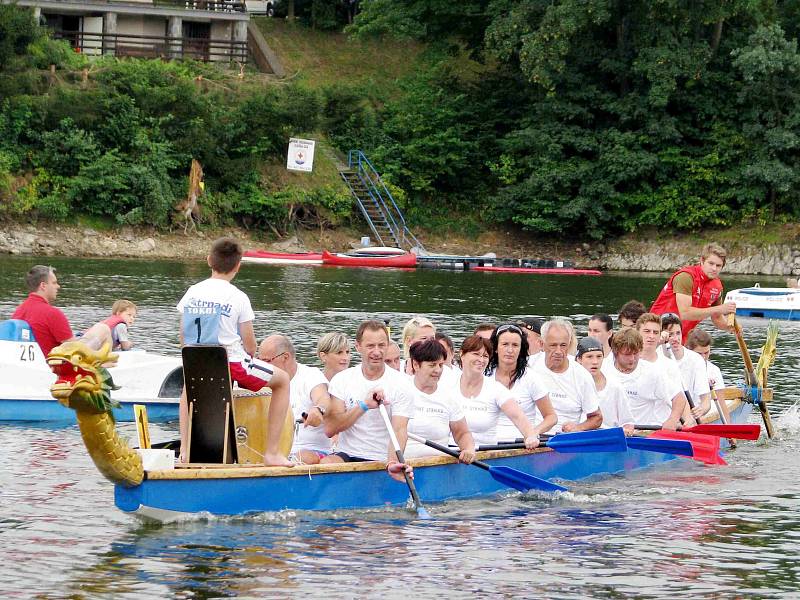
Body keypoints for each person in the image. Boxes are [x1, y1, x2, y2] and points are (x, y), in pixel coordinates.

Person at [176, 237, 292, 467]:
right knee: (283, 381)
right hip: (230, 362)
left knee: (187, 391)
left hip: (196, 360)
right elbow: (250, 345)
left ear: (209, 260)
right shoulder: (238, 297)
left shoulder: (192, 292)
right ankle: (272, 453)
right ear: (238, 265)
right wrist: (250, 353)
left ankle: (185, 452)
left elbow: (183, 335)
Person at [320, 320, 415, 482]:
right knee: (325, 463)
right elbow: (330, 428)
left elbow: (399, 430)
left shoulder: (402, 383)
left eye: (381, 345)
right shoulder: (342, 379)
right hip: (347, 455)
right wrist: (363, 406)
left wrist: (392, 461)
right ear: (358, 347)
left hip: (382, 459)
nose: (377, 352)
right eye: (370, 346)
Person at [454, 335, 542, 447]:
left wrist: (530, 436)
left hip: (484, 453)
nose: (481, 360)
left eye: (485, 356)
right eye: (476, 354)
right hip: (449, 451)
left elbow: (518, 417)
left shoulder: (496, 389)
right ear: (462, 354)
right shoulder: (447, 384)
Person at [258, 334, 332, 465]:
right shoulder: (261, 380)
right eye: (259, 361)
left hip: (311, 450)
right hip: (272, 452)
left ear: (285, 357)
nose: (261, 366)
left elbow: (323, 397)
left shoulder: (311, 375)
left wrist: (318, 409)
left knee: (304, 457)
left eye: (266, 361)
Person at [404, 339, 475, 462]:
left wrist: (468, 449)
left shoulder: (448, 397)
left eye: (440, 365)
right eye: (432, 365)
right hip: (402, 465)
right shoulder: (399, 389)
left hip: (437, 466)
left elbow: (462, 433)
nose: (438, 370)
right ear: (416, 365)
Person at [601, 328, 686, 430]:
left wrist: (672, 420)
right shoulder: (603, 370)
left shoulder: (652, 372)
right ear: (615, 352)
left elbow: (679, 398)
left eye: (636, 353)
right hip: (612, 432)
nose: (632, 359)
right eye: (627, 354)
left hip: (642, 433)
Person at [650, 243, 737, 342]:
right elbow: (685, 313)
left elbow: (717, 318)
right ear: (702, 261)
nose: (714, 269)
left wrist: (729, 327)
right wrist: (719, 308)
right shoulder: (686, 277)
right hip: (657, 332)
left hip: (680, 338)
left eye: (718, 265)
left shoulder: (717, 286)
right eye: (711, 263)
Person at [487, 323, 557, 441]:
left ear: (521, 350)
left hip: (521, 443)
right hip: (486, 443)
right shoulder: (484, 375)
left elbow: (551, 417)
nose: (510, 350)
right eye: (505, 344)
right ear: (495, 348)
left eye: (515, 345)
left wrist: (533, 432)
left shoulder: (531, 378)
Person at [533, 319, 602, 433]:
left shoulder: (582, 376)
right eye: (553, 345)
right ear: (542, 344)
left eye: (563, 345)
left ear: (569, 345)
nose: (558, 351)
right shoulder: (529, 366)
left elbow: (596, 417)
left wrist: (578, 428)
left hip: (564, 440)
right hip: (530, 439)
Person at [575, 337, 634, 434]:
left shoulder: (615, 387)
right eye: (589, 357)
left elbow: (627, 422)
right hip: (577, 437)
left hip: (606, 438)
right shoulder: (570, 384)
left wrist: (626, 430)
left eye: (599, 356)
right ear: (579, 359)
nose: (595, 362)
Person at [11, 265, 74, 357]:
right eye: (54, 283)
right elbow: (74, 349)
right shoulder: (52, 314)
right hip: (52, 367)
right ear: (43, 286)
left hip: (30, 364)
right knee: (100, 330)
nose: (58, 286)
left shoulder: (18, 311)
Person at [659, 313, 712, 421]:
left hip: (687, 419)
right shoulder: (654, 357)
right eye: (670, 334)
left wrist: (701, 410)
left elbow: (706, 401)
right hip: (661, 419)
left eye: (678, 333)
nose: (675, 338)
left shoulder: (696, 360)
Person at [686, 328, 733, 424]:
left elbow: (721, 403)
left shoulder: (714, 370)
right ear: (688, 350)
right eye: (699, 354)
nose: (703, 357)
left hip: (703, 412)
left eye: (706, 353)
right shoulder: (681, 367)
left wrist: (728, 429)